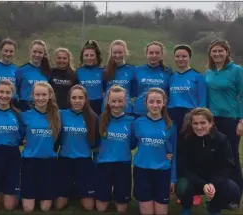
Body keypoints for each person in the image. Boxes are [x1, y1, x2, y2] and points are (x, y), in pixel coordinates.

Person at [176, 108, 241, 215]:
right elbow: (183, 167)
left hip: (214, 178)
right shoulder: (185, 139)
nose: (199, 127)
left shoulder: (221, 139)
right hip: (193, 178)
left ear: (210, 123)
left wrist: (212, 183)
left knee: (232, 189)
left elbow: (228, 165)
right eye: (195, 123)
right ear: (191, 124)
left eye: (203, 123)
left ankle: (214, 209)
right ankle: (186, 207)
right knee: (182, 187)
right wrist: (202, 184)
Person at [168, 45, 206, 206]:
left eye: (184, 56)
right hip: (173, 117)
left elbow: (203, 101)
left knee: (192, 153)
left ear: (189, 57)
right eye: (177, 56)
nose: (180, 59)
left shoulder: (198, 77)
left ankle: (194, 191)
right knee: (175, 154)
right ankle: (177, 188)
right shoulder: (172, 77)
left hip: (190, 117)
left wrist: (199, 120)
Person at [205, 38, 243, 193]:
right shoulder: (209, 72)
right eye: (214, 51)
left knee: (231, 155)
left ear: (227, 52)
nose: (217, 53)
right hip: (212, 120)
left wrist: (242, 120)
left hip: (231, 119)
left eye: (221, 50)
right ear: (210, 54)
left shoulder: (237, 70)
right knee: (214, 155)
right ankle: (217, 190)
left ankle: (235, 192)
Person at [132, 88, 177, 215]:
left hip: (162, 172)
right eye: (151, 101)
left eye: (158, 101)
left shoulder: (170, 125)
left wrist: (172, 179)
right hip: (142, 170)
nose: (155, 105)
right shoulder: (137, 123)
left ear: (164, 103)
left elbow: (174, 154)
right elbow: (131, 144)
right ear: (146, 103)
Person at [55, 85, 97, 211]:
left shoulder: (92, 117)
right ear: (69, 99)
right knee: (58, 205)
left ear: (85, 100)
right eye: (74, 98)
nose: (77, 101)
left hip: (83, 161)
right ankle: (68, 190)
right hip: (65, 160)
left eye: (80, 98)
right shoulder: (61, 114)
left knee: (89, 207)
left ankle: (78, 189)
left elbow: (96, 143)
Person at [20, 82, 61, 212]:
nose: (41, 98)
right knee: (28, 209)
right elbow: (19, 137)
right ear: (33, 95)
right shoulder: (25, 115)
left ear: (50, 96)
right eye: (37, 94)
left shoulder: (57, 116)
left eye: (44, 94)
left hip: (49, 162)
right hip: (29, 161)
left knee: (45, 208)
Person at [0, 80, 24, 211]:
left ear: (12, 94)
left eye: (8, 92)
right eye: (1, 92)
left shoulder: (17, 114)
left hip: (12, 154)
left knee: (9, 206)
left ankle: (13, 191)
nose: (4, 95)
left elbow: (22, 135)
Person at [95, 85, 135, 213]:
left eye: (120, 101)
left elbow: (133, 144)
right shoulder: (100, 119)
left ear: (125, 102)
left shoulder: (131, 121)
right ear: (108, 101)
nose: (116, 105)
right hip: (103, 164)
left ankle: (117, 192)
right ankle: (108, 191)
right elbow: (95, 142)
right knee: (101, 209)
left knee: (121, 209)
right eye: (113, 101)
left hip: (123, 165)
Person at [133, 41, 173, 117]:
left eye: (157, 53)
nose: (154, 55)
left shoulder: (168, 71)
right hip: (140, 112)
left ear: (162, 55)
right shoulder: (137, 70)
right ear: (146, 54)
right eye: (151, 53)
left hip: (161, 113)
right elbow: (133, 91)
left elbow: (170, 93)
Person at [101, 40, 135, 115]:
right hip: (107, 110)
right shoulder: (105, 70)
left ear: (125, 53)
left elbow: (134, 91)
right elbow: (103, 89)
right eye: (115, 53)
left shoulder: (132, 70)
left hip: (126, 110)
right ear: (111, 53)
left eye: (120, 52)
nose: (117, 55)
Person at [15, 40, 51, 111]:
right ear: (30, 52)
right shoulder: (21, 70)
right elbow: (16, 91)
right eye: (34, 52)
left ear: (44, 54)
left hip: (43, 107)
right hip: (25, 107)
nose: (37, 55)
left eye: (40, 52)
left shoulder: (48, 71)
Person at [76, 40, 105, 115]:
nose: (89, 58)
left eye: (92, 55)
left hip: (99, 107)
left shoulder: (103, 70)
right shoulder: (78, 72)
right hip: (84, 106)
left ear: (96, 56)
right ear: (82, 56)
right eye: (86, 55)